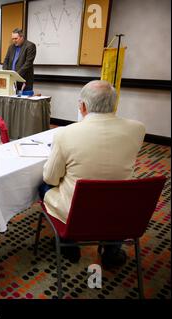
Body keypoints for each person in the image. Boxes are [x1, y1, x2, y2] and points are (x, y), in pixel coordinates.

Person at [40, 80, 145, 268]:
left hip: (78, 214)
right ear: (115, 104)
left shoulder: (65, 134)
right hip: (120, 211)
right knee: (114, 195)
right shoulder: (138, 129)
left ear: (83, 106)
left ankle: (68, 244)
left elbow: (50, 178)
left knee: (43, 186)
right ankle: (111, 252)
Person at [2, 28, 36, 92]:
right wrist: (5, 73)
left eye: (16, 38)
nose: (14, 41)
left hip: (24, 81)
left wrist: (15, 76)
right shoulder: (11, 47)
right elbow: (6, 60)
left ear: (22, 37)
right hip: (11, 81)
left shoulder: (30, 46)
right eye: (13, 39)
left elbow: (28, 64)